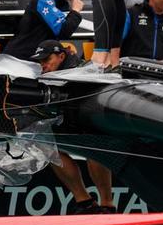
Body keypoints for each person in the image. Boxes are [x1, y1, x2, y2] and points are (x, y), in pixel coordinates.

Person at [31, 39, 115, 212]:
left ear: (61, 56)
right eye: (40, 62)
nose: (43, 65)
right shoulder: (44, 75)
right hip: (66, 120)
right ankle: (84, 202)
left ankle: (107, 204)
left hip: (91, 122)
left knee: (95, 150)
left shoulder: (81, 70)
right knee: (50, 148)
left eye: (47, 60)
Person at [2, 0, 84, 60]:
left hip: (29, 59)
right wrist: (75, 11)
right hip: (20, 60)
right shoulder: (44, 0)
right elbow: (63, 31)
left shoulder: (57, 2)